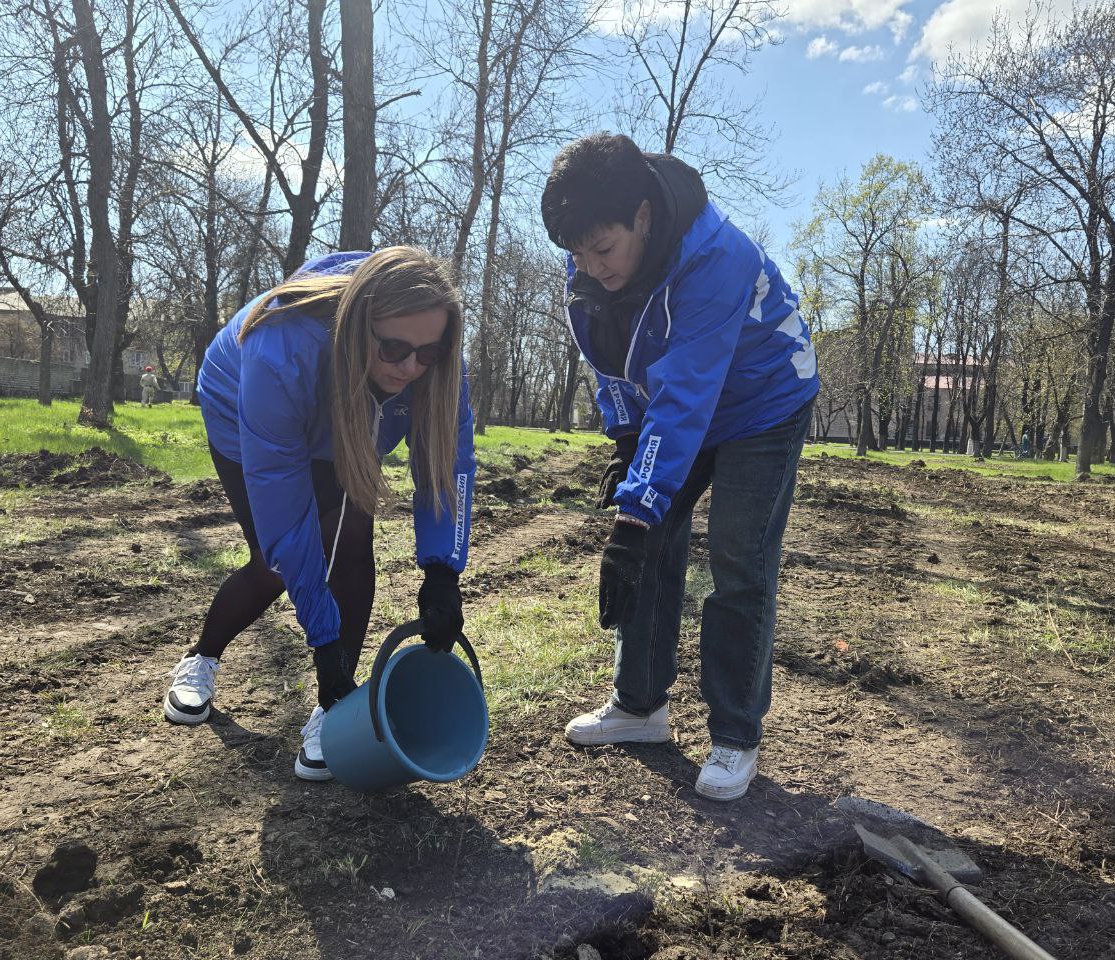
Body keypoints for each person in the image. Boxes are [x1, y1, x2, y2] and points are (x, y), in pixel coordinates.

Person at [540, 133, 819, 801]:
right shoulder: (592, 263)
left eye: (602, 250)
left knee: (737, 559)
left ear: (642, 214)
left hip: (762, 403)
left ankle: (735, 733)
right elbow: (610, 361)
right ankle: (639, 707)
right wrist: (625, 443)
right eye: (577, 254)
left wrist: (635, 516)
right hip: (685, 404)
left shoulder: (718, 256)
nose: (592, 267)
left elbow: (688, 392)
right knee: (652, 543)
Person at [162, 246, 476, 782]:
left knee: (353, 544)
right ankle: (201, 657)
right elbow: (287, 515)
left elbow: (449, 468)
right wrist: (321, 641)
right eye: (396, 347)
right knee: (277, 560)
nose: (411, 368)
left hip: (355, 412)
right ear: (360, 326)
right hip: (247, 408)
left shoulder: (432, 362)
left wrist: (443, 571)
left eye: (428, 353)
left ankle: (335, 709)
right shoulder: (280, 351)